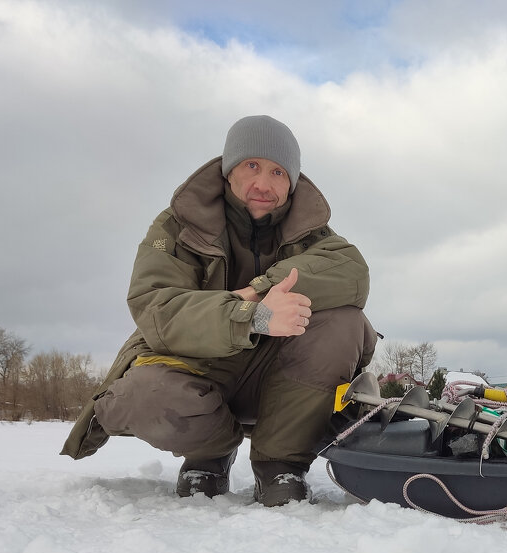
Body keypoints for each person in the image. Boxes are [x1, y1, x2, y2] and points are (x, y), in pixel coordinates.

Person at [61, 115, 377, 506]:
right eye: (251, 166)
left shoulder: (314, 236)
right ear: (229, 170)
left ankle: (279, 463)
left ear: (293, 182)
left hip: (277, 378)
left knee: (344, 321)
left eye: (278, 171)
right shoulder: (177, 227)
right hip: (197, 368)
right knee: (145, 394)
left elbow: (353, 273)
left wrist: (259, 290)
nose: (263, 184)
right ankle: (209, 454)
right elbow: (157, 307)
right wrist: (254, 316)